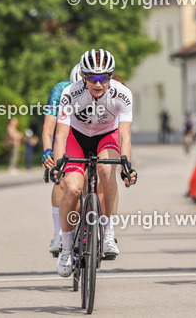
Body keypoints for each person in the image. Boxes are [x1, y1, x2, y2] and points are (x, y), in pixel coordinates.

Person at [51, 49, 137, 277]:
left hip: (105, 136)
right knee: (71, 188)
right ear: (83, 76)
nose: (98, 84)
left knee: (106, 170)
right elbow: (61, 135)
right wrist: (59, 164)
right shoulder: (70, 93)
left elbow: (125, 136)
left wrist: (127, 164)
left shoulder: (123, 94)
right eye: (92, 78)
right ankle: (67, 247)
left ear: (110, 76)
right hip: (76, 138)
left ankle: (108, 233)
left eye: (104, 78)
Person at [42, 64, 81, 256]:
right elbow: (49, 127)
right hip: (65, 137)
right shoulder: (60, 90)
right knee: (61, 178)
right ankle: (58, 233)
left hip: (89, 136)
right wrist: (47, 150)